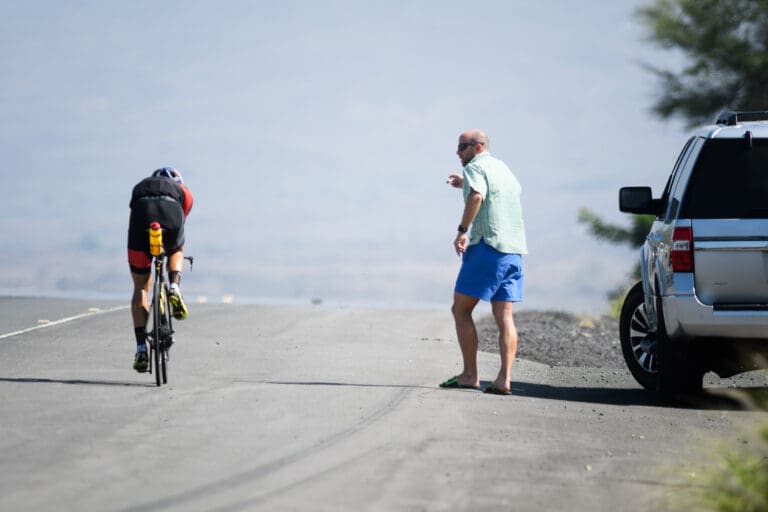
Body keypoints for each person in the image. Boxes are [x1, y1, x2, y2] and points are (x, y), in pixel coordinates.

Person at [440, 130, 527, 395]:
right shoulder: (503, 168)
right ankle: (504, 379)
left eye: (462, 147)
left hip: (488, 247)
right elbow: (490, 192)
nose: (458, 152)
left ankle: (469, 374)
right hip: (513, 252)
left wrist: (462, 230)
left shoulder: (476, 166)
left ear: (477, 147)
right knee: (505, 317)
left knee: (461, 309)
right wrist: (463, 184)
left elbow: (477, 196)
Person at [127, 167, 194, 372]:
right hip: (171, 211)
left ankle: (140, 348)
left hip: (141, 214)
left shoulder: (140, 186)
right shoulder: (185, 192)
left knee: (141, 287)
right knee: (176, 249)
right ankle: (174, 286)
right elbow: (181, 220)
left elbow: (135, 211)